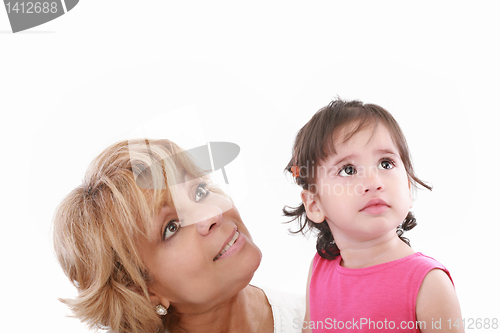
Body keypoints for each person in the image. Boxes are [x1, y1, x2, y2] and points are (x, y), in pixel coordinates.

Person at [53, 139, 304, 333]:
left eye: (199, 191)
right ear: (141, 292)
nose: (211, 215)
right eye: (171, 227)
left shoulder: (326, 318)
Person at [284, 99, 463, 332]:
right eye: (348, 169)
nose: (373, 182)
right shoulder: (320, 268)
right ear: (315, 204)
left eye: (386, 164)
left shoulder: (428, 284)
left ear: (408, 188)